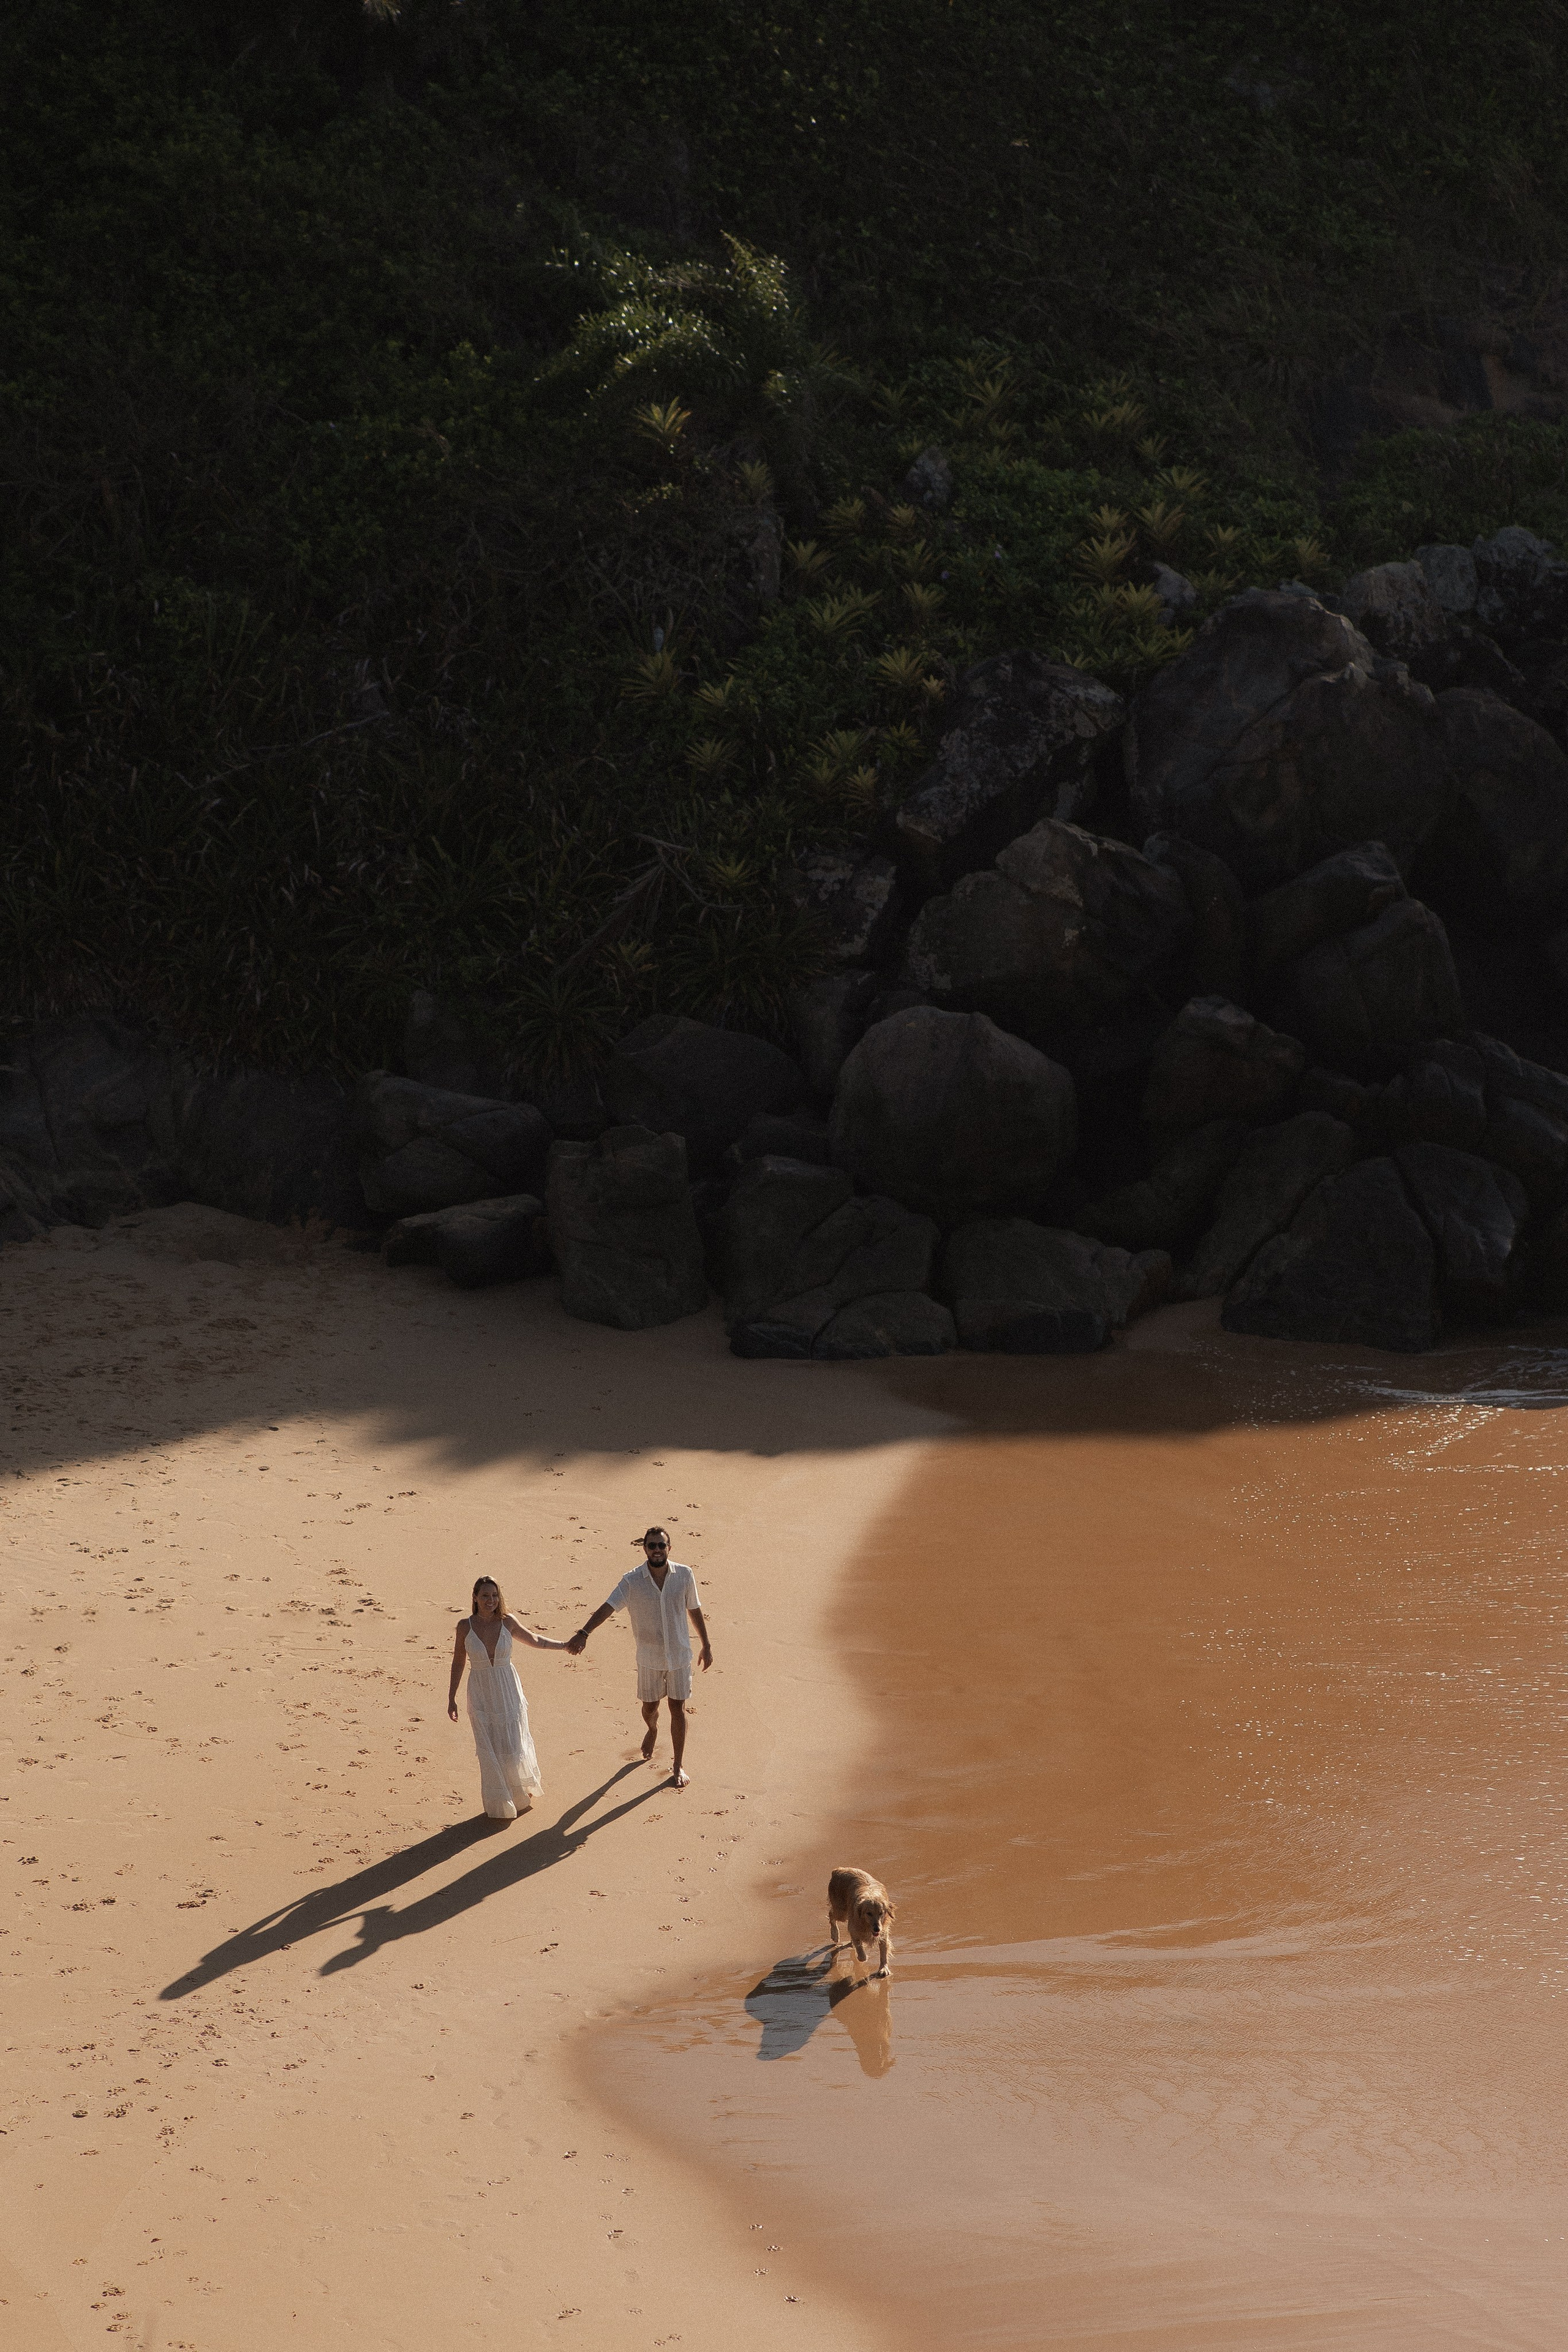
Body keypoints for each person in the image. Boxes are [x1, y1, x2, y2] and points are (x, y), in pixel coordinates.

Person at [567, 1526, 712, 1787]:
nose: (657, 1550)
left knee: (678, 1708)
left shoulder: (685, 1575)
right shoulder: (632, 1581)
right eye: (652, 1546)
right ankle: (653, 1729)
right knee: (650, 1707)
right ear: (644, 1548)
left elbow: (695, 1610)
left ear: (670, 1548)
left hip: (680, 1655)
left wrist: (706, 1644)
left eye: (661, 1545)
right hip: (649, 1658)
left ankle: (678, 1766)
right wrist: (584, 1632)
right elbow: (608, 1607)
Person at [448, 1576, 566, 1821]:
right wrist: (452, 1698)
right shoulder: (464, 1626)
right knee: (488, 1747)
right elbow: (459, 1661)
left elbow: (535, 1640)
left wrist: (565, 1645)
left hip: (507, 1689)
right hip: (480, 1692)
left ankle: (519, 1794)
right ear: (475, 1598)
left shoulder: (507, 1622)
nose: (490, 1601)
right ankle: (500, 1801)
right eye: (485, 1596)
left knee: (513, 1745)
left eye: (494, 1596)